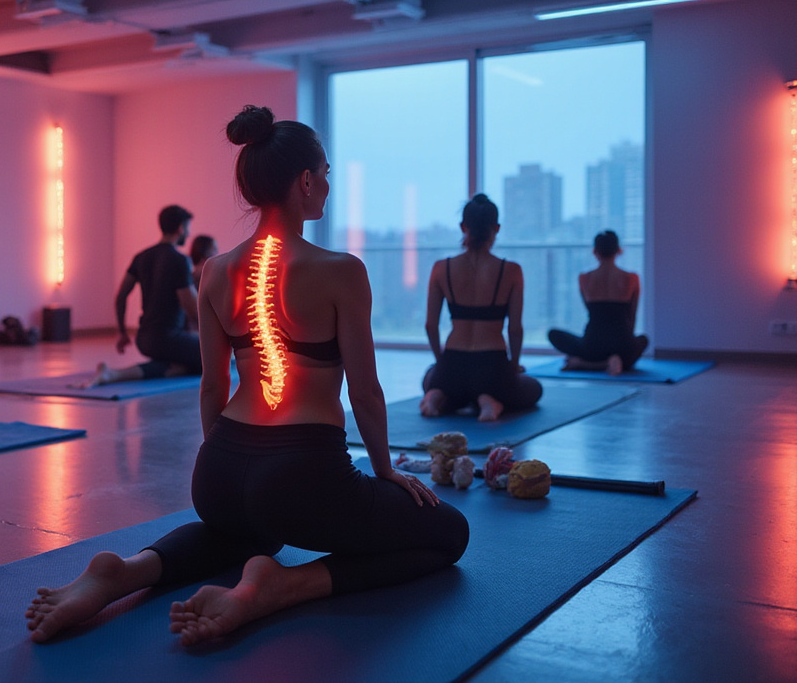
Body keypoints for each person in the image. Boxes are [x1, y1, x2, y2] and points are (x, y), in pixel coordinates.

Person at [28, 105, 468, 646]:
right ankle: (285, 585)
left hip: (219, 471)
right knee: (448, 534)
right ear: (305, 181)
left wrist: (230, 464)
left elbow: (213, 386)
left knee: (245, 531)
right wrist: (385, 471)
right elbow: (366, 391)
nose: (327, 187)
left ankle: (126, 570)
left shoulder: (216, 270)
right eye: (325, 175)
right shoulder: (341, 271)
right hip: (302, 472)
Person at [420, 194, 542, 422]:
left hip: (452, 364)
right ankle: (488, 400)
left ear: (463, 227)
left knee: (430, 378)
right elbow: (515, 328)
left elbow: (430, 325)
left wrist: (440, 363)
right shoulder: (512, 270)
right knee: (533, 388)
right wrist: (513, 366)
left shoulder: (441, 268)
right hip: (492, 365)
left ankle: (436, 395)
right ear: (496, 228)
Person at [80, 205, 201, 387]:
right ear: (181, 228)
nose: (189, 233)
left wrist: (122, 332)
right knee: (214, 358)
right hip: (169, 339)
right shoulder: (180, 261)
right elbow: (192, 309)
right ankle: (112, 375)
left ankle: (112, 374)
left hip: (144, 339)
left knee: (185, 360)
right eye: (188, 228)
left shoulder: (141, 257)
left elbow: (121, 296)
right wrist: (214, 334)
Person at [548, 230, 649, 375]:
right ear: (618, 250)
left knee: (553, 334)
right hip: (622, 344)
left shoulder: (584, 278)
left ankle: (586, 364)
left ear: (595, 251)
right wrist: (627, 344)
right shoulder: (632, 278)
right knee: (643, 340)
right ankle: (614, 361)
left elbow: (589, 311)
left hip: (592, 345)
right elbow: (632, 315)